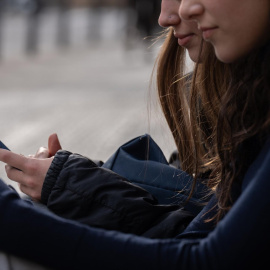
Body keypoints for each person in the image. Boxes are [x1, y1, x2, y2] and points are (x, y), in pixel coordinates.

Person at [0, 0, 269, 269]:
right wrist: (76, 181)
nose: (170, 14)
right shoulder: (246, 102)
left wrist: (19, 215)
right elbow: (197, 232)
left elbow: (206, 259)